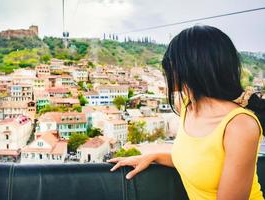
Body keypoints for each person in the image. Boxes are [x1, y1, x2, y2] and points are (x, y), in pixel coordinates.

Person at [108, 25, 265, 200]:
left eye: (170, 64)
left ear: (190, 68)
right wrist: (154, 157)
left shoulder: (239, 126)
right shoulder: (187, 105)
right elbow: (199, 162)